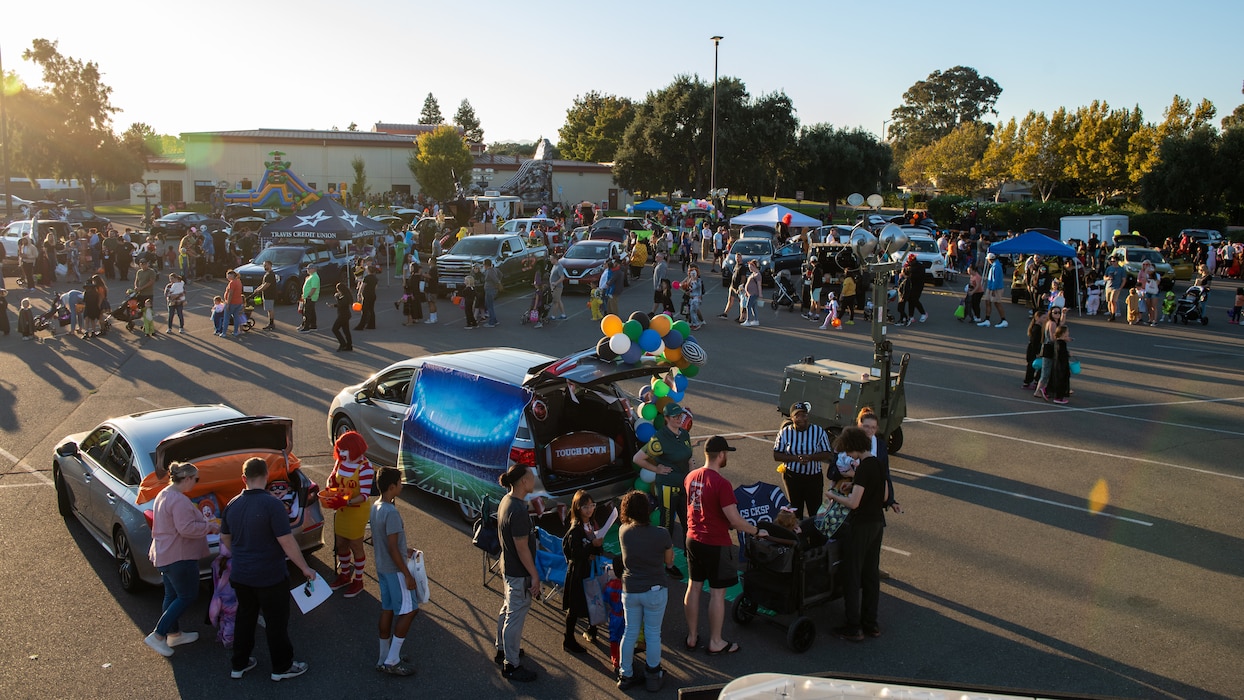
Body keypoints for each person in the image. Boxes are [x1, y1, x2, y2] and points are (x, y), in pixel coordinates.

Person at [219, 457, 316, 682]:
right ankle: (281, 667)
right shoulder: (272, 504)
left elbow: (224, 536)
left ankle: (239, 664)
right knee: (276, 622)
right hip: (270, 576)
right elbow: (287, 542)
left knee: (245, 618)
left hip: (242, 575)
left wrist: (239, 553)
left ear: (244, 478)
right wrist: (304, 568)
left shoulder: (232, 504)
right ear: (267, 477)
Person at [683, 436, 767, 656]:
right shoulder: (721, 483)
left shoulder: (691, 476)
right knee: (717, 594)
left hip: (693, 538)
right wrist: (757, 531)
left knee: (694, 586)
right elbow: (735, 519)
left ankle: (691, 637)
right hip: (715, 542)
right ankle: (715, 641)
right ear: (721, 455)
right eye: (726, 453)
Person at [144, 462, 218, 657]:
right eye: (195, 479)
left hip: (164, 554)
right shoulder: (179, 501)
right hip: (180, 556)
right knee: (187, 595)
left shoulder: (164, 494)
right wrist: (208, 527)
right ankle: (158, 635)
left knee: (171, 595)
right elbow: (186, 529)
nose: (195, 483)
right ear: (186, 479)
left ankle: (174, 633)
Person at [824, 426, 887, 641]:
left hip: (861, 525)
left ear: (853, 447)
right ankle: (871, 623)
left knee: (852, 574)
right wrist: (855, 484)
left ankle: (853, 625)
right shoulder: (877, 463)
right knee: (871, 574)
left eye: (848, 450)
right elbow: (885, 494)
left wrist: (833, 496)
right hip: (877, 522)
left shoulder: (863, 468)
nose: (848, 455)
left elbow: (853, 502)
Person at [616, 490, 674, 692]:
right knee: (652, 634)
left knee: (630, 631)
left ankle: (626, 674)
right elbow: (669, 561)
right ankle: (653, 674)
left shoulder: (624, 531)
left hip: (630, 589)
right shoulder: (661, 534)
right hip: (655, 589)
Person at [370, 466, 418, 677]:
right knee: (410, 610)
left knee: (387, 608)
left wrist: (404, 549)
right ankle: (392, 660)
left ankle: (384, 655)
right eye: (399, 482)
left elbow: (381, 540)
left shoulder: (377, 506)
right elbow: (392, 547)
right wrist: (407, 574)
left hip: (382, 568)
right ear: (392, 487)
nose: (401, 485)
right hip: (395, 570)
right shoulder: (392, 513)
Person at [494, 463, 539, 683]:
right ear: (523, 481)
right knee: (515, 616)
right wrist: (535, 575)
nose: (534, 479)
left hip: (508, 566)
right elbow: (522, 547)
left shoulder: (508, 501)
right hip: (519, 573)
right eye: (531, 476)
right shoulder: (518, 511)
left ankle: (502, 649)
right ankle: (511, 664)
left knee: (507, 608)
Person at [633, 403, 694, 556]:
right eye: (675, 416)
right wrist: (656, 469)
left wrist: (692, 475)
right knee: (667, 525)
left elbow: (689, 458)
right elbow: (638, 458)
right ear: (666, 418)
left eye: (680, 415)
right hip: (668, 488)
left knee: (689, 523)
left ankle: (690, 556)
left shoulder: (684, 434)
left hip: (684, 486)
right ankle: (666, 561)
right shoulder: (659, 438)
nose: (679, 419)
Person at [328, 431, 373, 595]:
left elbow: (364, 496)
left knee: (355, 545)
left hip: (357, 511)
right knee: (341, 543)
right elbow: (332, 477)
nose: (341, 453)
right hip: (342, 510)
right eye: (339, 449)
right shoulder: (341, 462)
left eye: (344, 449)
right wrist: (330, 485)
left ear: (354, 448)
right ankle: (345, 575)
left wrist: (346, 502)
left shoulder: (365, 468)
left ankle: (358, 581)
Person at [772, 402, 833, 519]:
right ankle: (797, 535)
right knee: (795, 511)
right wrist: (796, 459)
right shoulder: (785, 433)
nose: (801, 419)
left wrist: (810, 458)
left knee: (815, 511)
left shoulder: (818, 431)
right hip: (793, 477)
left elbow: (827, 454)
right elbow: (776, 455)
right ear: (792, 418)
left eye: (804, 415)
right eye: (797, 416)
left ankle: (815, 536)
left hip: (813, 478)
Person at [560, 490, 602, 655]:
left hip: (590, 569)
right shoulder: (575, 530)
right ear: (577, 508)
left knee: (595, 600)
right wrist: (593, 546)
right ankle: (568, 639)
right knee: (575, 607)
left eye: (592, 505)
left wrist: (596, 548)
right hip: (578, 572)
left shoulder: (592, 524)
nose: (589, 509)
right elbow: (575, 554)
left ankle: (592, 630)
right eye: (585, 506)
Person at [977, 252, 1009, 328]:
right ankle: (987, 319)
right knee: (987, 301)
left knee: (997, 303)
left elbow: (996, 280)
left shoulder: (996, 267)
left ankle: (1003, 320)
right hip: (990, 287)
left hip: (996, 288)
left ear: (990, 259)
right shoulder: (994, 265)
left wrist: (993, 290)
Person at [1022, 308, 1049, 390]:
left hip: (1034, 348)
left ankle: (1033, 381)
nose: (1045, 319)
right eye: (1044, 318)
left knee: (1035, 366)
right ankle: (1029, 382)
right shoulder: (1036, 328)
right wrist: (1037, 352)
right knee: (1033, 366)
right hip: (1034, 350)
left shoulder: (1037, 327)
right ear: (1038, 318)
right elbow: (1035, 342)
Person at [1049, 324, 1072, 404]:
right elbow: (1061, 354)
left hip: (1057, 364)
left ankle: (1056, 395)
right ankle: (1059, 397)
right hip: (1061, 365)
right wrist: (1068, 354)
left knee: (1058, 380)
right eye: (1067, 332)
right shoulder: (1061, 344)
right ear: (1063, 333)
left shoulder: (1058, 342)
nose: (1068, 333)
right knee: (1061, 380)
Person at [330, 282, 354, 352]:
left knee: (335, 329)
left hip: (343, 315)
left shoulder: (345, 297)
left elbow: (341, 304)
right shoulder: (345, 295)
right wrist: (334, 305)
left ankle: (342, 343)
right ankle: (349, 345)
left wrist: (336, 298)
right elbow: (340, 304)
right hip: (345, 315)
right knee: (346, 331)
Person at [254, 260, 278, 330]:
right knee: (269, 309)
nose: (265, 267)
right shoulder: (267, 274)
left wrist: (259, 290)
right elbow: (263, 284)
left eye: (266, 265)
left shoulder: (270, 274)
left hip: (270, 294)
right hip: (266, 294)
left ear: (270, 265)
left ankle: (271, 323)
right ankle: (271, 322)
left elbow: (267, 285)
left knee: (270, 309)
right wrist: (257, 289)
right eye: (264, 265)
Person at [355, 264, 378, 330]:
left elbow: (362, 287)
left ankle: (361, 325)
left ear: (368, 270)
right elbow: (376, 287)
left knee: (364, 310)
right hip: (373, 295)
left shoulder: (366, 278)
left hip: (367, 295)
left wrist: (359, 294)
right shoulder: (375, 278)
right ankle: (372, 325)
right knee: (371, 310)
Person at [298, 263, 320, 332]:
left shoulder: (314, 277)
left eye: (309, 269)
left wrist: (309, 296)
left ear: (313, 269)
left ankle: (306, 327)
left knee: (307, 312)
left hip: (310, 297)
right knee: (311, 311)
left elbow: (314, 288)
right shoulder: (311, 276)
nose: (307, 270)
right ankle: (313, 326)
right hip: (307, 297)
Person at [223, 270, 245, 338]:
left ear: (232, 275)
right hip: (238, 302)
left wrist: (228, 304)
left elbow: (230, 294)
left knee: (226, 318)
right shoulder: (239, 281)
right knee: (236, 317)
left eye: (229, 275)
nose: (227, 277)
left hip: (232, 302)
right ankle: (235, 332)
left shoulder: (232, 283)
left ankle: (224, 333)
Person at [742, 260, 762, 327]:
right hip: (750, 293)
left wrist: (760, 294)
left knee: (748, 306)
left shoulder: (757, 275)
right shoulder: (753, 274)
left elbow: (759, 285)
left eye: (750, 267)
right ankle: (756, 320)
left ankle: (748, 320)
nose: (749, 268)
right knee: (754, 307)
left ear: (754, 266)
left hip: (753, 294)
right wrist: (746, 292)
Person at [483, 259, 502, 328]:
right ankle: (495, 320)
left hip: (490, 289)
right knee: (490, 305)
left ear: (485, 265)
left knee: (490, 306)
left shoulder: (489, 271)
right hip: (492, 289)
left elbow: (495, 280)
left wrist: (497, 283)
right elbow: (501, 275)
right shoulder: (495, 269)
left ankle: (492, 322)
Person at [548, 254, 567, 319]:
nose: (550, 260)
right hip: (553, 287)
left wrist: (555, 283)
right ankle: (563, 314)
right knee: (558, 300)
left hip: (557, 287)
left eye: (551, 259)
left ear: (555, 259)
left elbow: (562, 277)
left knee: (555, 301)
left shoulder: (559, 267)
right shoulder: (554, 266)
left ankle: (553, 316)